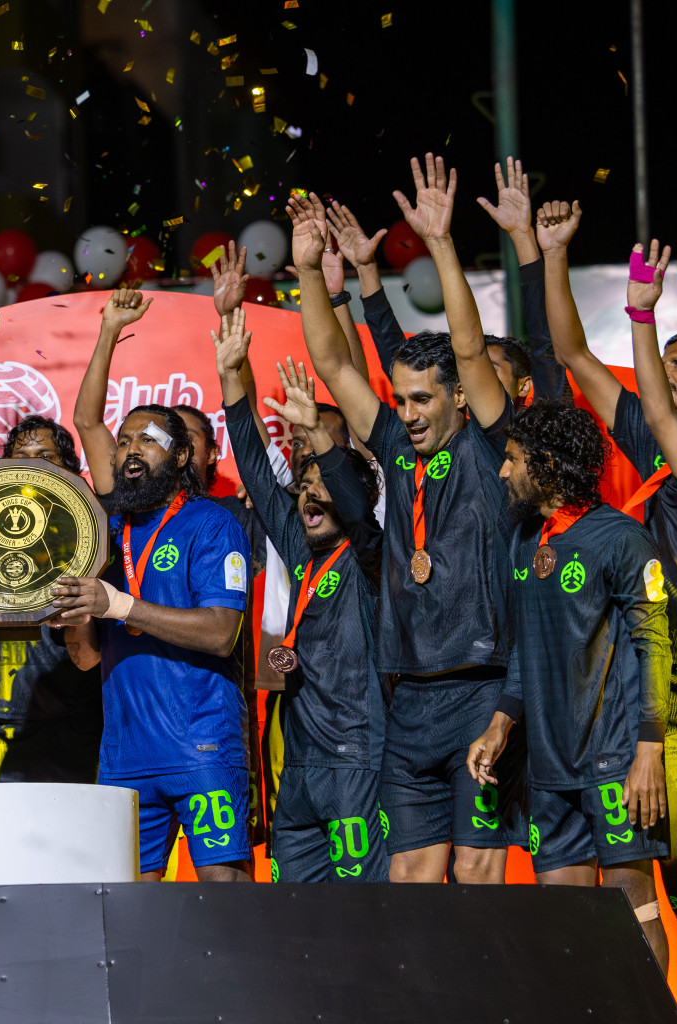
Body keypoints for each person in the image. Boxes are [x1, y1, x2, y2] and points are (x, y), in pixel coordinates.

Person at [290, 163, 518, 885]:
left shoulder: (487, 448)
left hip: (481, 690)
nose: (410, 414)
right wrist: (307, 270)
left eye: (424, 399)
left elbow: (471, 349)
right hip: (409, 699)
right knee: (411, 885)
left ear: (459, 397)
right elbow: (332, 362)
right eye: (401, 400)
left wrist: (441, 242)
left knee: (477, 879)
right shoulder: (394, 447)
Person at [468, 397, 670, 969]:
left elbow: (654, 645)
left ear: (549, 465)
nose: (503, 471)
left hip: (615, 761)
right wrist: (500, 724)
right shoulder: (524, 541)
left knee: (634, 911)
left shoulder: (622, 538)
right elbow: (524, 649)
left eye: (513, 458)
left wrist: (648, 749)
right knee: (566, 923)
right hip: (549, 768)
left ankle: (650, 1011)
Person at [542, 222, 677, 945]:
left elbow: (660, 410)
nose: (668, 370)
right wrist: (553, 256)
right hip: (655, 690)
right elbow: (573, 353)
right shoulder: (651, 442)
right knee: (668, 882)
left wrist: (641, 313)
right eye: (667, 362)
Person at [215, 311, 388, 882]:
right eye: (305, 486)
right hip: (299, 766)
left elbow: (356, 509)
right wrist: (231, 377)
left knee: (362, 911)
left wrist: (317, 432)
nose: (309, 494)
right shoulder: (301, 549)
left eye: (324, 486)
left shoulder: (370, 557)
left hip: (356, 760)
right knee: (295, 910)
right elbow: (258, 473)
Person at [53, 403, 253, 882]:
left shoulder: (212, 524)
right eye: (124, 441)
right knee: (128, 907)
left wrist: (120, 606)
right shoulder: (104, 537)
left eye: (147, 440)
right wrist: (76, 617)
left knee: (225, 894)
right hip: (125, 756)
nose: (131, 450)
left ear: (181, 456)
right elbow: (87, 658)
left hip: (201, 747)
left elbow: (221, 633)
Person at [0, 302, 104, 785]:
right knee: (1, 834)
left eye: (45, 457)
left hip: (85, 714)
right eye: (20, 456)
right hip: (7, 719)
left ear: (71, 470)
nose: (31, 466)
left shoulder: (91, 524)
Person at [326, 156, 566, 404]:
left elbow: (544, 344)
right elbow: (399, 362)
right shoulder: (452, 424)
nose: (476, 376)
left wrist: (522, 235)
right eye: (468, 370)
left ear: (524, 385)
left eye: (491, 369)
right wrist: (366, 269)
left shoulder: (547, 422)